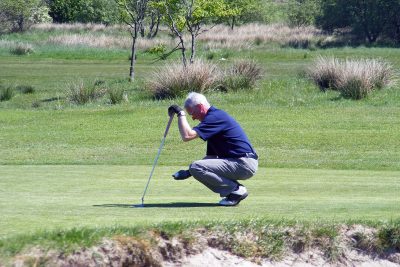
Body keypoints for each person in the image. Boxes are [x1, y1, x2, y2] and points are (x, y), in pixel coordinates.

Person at [168, 92, 258, 206]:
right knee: (196, 167)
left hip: (243, 163)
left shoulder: (215, 117)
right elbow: (212, 157)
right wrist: (189, 172)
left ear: (200, 107)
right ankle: (235, 192)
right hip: (240, 162)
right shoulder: (212, 120)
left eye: (193, 113)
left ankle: (235, 190)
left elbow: (187, 136)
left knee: (196, 166)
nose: (194, 118)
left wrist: (181, 114)